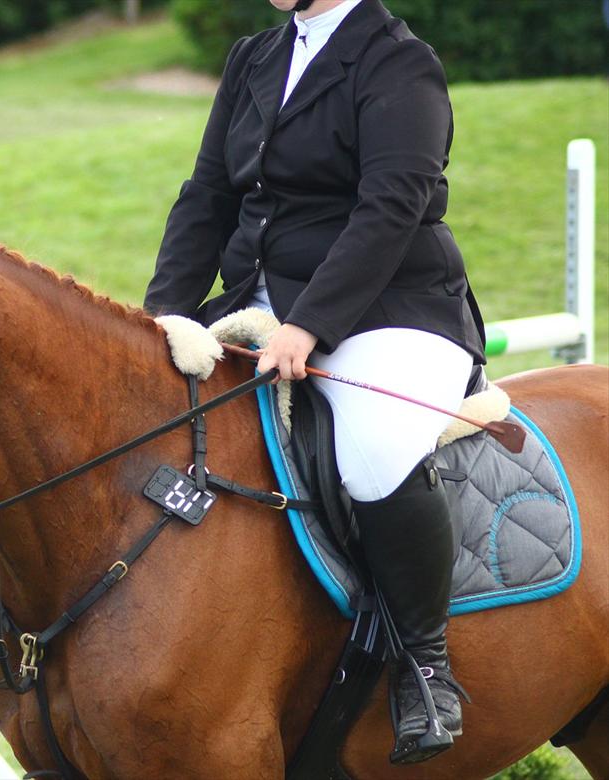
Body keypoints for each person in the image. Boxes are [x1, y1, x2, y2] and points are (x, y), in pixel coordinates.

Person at [144, 0, 486, 765]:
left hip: (390, 312)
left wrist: (313, 323)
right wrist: (162, 315)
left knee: (370, 449)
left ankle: (425, 667)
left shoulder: (400, 62)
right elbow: (208, 195)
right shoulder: (253, 58)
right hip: (258, 305)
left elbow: (391, 205)